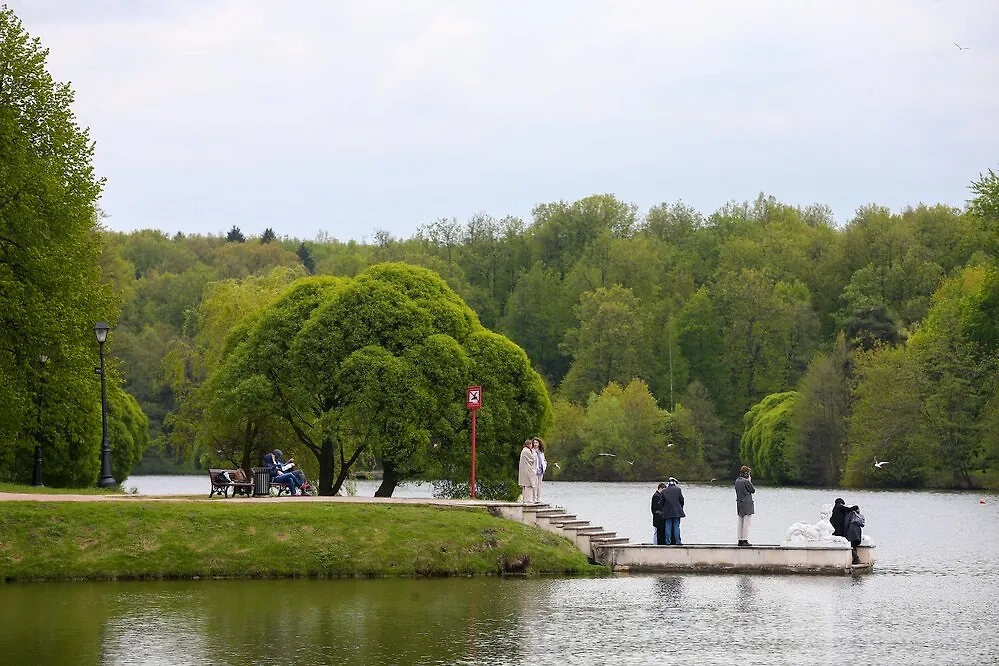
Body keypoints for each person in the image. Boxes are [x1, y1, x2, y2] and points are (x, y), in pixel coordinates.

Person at [735, 465, 755, 546]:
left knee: (740, 522)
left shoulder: (737, 481)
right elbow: (752, 490)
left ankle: (739, 540)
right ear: (746, 473)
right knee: (746, 523)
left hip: (739, 504)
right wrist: (749, 481)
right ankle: (745, 540)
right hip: (747, 504)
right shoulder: (746, 481)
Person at [662, 477, 685, 545]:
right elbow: (682, 500)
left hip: (667, 512)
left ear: (668, 483)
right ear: (675, 483)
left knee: (668, 526)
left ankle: (668, 541)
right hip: (677, 511)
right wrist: (680, 508)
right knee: (676, 526)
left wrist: (664, 509)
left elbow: (662, 502)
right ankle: (678, 541)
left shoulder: (664, 491)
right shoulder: (678, 489)